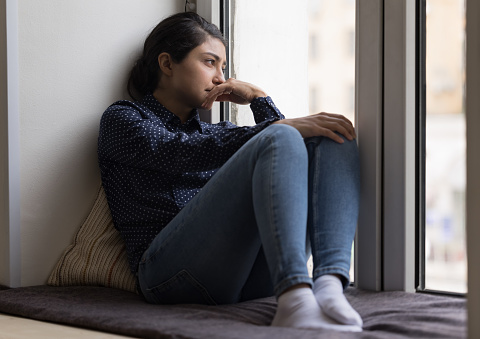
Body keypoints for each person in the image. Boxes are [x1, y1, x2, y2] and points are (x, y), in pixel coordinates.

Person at [98, 12, 362, 332]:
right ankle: (294, 297)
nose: (221, 78)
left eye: (223, 67)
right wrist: (275, 126)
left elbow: (285, 155)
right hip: (167, 276)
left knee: (331, 135)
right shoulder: (123, 119)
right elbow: (175, 151)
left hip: (242, 277)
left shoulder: (219, 134)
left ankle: (329, 284)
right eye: (210, 62)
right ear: (167, 64)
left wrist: (259, 98)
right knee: (280, 135)